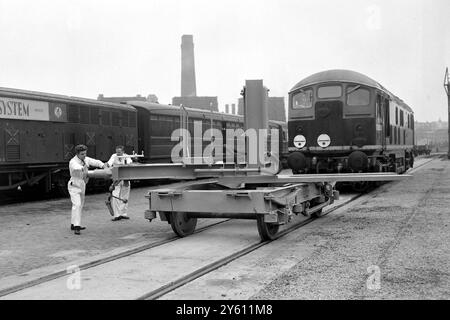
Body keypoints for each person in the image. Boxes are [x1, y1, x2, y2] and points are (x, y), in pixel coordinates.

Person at [68, 144, 106, 235]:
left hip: (82, 184)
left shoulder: (85, 159)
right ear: (77, 154)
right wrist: (83, 168)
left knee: (80, 205)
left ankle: (73, 223)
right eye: (82, 154)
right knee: (76, 205)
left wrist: (103, 165)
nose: (84, 155)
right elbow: (76, 167)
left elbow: (95, 162)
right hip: (74, 184)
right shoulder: (73, 162)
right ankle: (77, 227)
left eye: (85, 153)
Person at [107, 146, 133, 221]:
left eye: (119, 152)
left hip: (125, 179)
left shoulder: (127, 156)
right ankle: (116, 215)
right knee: (115, 195)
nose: (118, 153)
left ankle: (123, 214)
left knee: (125, 196)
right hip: (117, 179)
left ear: (123, 152)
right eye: (117, 152)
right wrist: (107, 165)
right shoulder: (113, 156)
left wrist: (127, 163)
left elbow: (129, 162)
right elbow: (109, 163)